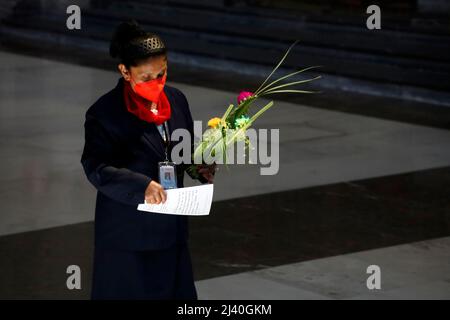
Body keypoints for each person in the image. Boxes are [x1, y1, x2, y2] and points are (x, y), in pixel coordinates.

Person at [80, 20, 215, 300]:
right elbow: (96, 167)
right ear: (125, 72)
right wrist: (142, 186)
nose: (157, 84)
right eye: (146, 77)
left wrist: (199, 168)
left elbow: (182, 151)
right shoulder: (105, 112)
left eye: (162, 74)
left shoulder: (176, 100)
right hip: (128, 234)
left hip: (171, 230)